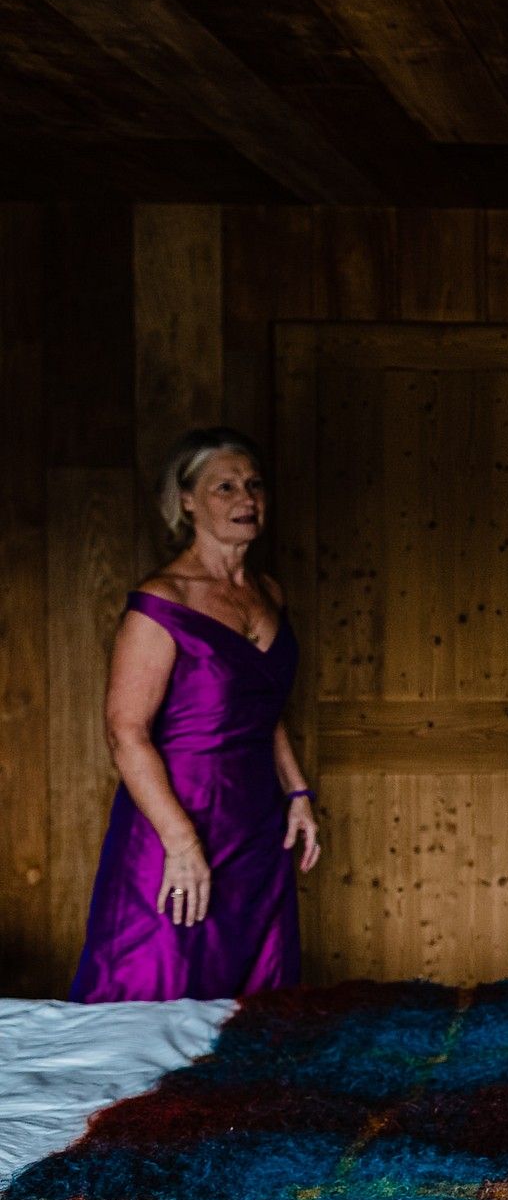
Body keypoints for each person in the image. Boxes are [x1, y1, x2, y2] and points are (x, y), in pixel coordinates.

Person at [71, 428, 318, 1003]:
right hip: (178, 817)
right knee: (158, 984)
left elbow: (264, 708)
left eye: (254, 485)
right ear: (186, 501)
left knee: (255, 1003)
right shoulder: (162, 601)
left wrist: (298, 793)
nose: (245, 499)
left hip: (257, 822)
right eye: (224, 487)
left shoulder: (269, 593)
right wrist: (180, 841)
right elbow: (125, 733)